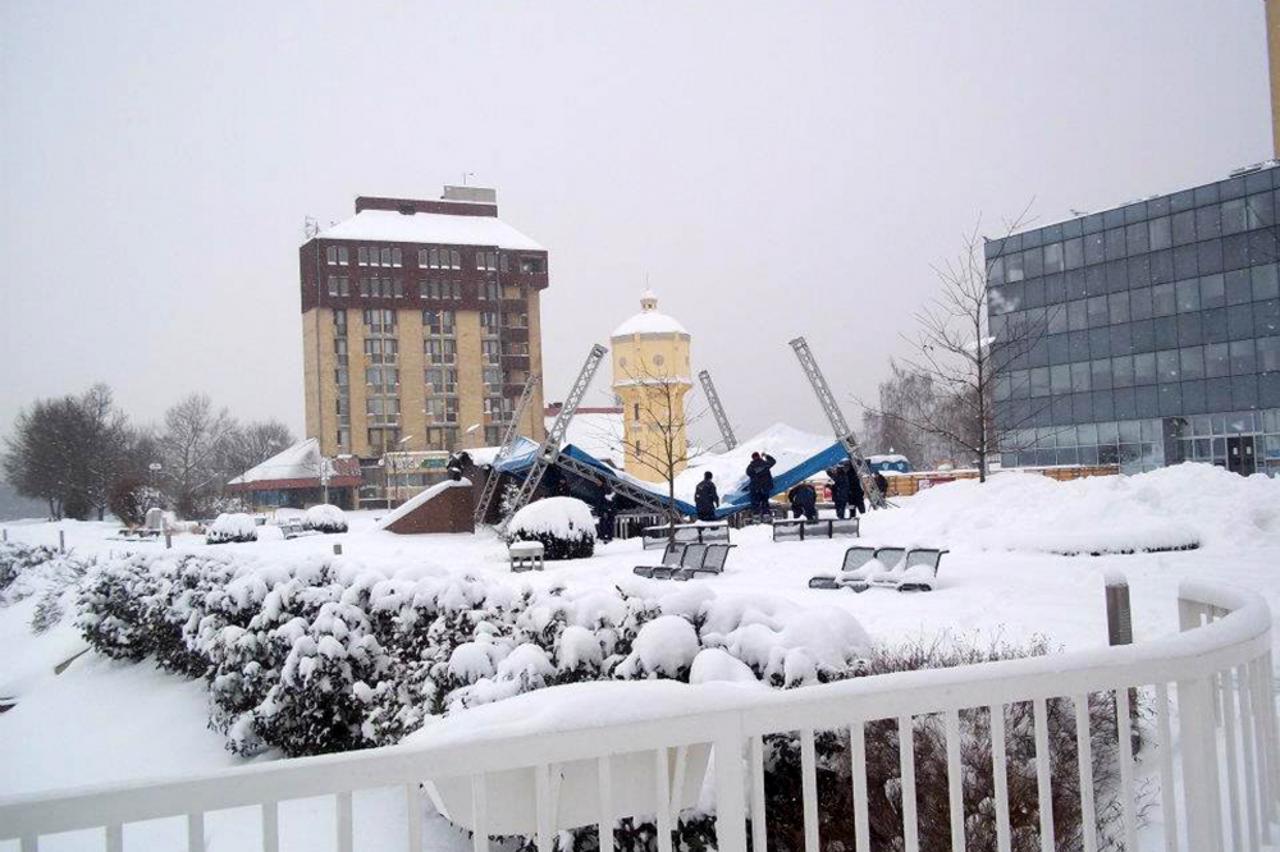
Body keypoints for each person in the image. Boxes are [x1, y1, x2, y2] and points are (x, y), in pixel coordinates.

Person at [745, 451, 776, 520]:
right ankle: (766, 513)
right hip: (766, 486)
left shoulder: (751, 467)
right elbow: (773, 461)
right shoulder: (765, 464)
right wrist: (766, 456)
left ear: (753, 458)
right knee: (765, 500)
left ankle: (756, 514)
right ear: (759, 456)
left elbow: (748, 473)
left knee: (755, 501)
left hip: (756, 487)